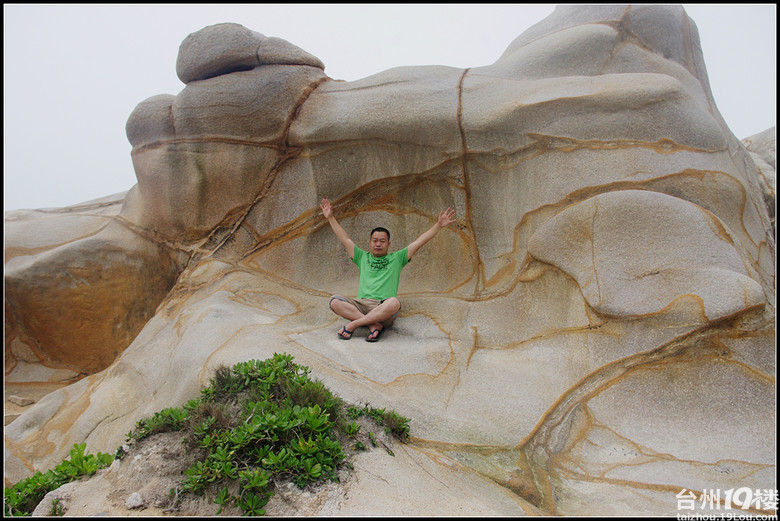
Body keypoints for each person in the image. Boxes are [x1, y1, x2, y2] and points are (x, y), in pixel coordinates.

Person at [320, 198, 456, 342]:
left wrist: (438, 225)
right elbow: (345, 239)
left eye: (382, 241)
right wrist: (330, 217)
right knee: (334, 301)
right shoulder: (362, 257)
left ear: (389, 244)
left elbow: (419, 242)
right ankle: (373, 325)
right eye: (375, 241)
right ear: (369, 243)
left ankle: (355, 324)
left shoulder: (397, 258)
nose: (378, 244)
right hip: (361, 304)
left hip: (382, 306)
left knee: (394, 303)